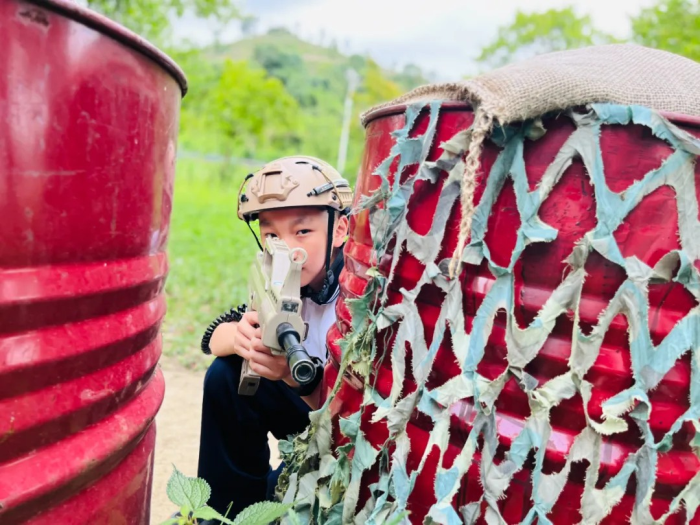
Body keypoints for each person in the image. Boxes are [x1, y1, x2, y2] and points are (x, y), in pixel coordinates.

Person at [196, 156, 353, 518]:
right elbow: (211, 338)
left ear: (339, 230)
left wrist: (295, 378)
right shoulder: (279, 280)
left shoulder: (357, 291)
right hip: (303, 418)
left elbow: (358, 414)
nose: (287, 248)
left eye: (303, 232)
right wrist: (240, 337)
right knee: (225, 374)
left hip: (343, 435)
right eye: (271, 235)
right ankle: (227, 512)